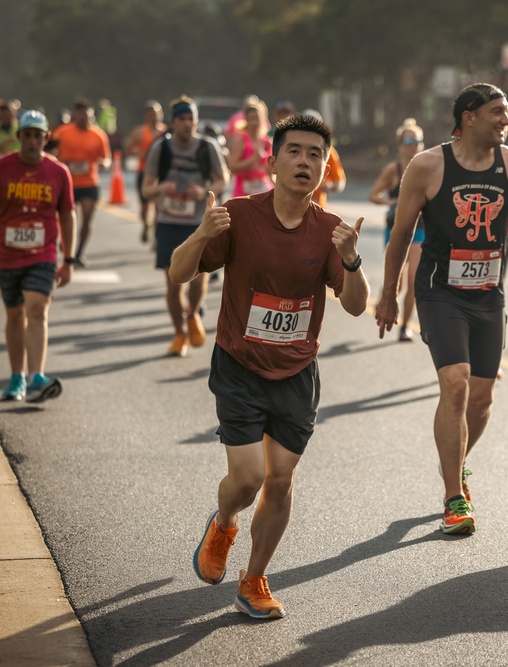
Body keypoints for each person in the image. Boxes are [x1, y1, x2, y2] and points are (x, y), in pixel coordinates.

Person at [169, 113, 369, 619]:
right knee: (248, 478)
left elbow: (355, 306)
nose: (305, 161)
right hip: (239, 363)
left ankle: (254, 578)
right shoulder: (237, 214)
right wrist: (199, 234)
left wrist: (351, 261)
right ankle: (224, 521)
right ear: (272, 160)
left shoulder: (331, 231)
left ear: (325, 166)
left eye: (315, 154)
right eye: (295, 151)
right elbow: (178, 273)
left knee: (281, 478)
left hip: (297, 370)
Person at [375, 83, 508, 535]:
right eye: (497, 112)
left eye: (507, 112)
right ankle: (454, 497)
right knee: (454, 384)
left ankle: (453, 463)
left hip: (488, 293)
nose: (505, 120)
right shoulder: (428, 165)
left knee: (482, 396)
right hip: (440, 289)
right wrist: (389, 292)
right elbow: (399, 236)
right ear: (468, 116)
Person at [0, 110, 75, 402]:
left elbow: (67, 215)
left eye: (37, 136)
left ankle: (36, 376)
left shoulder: (58, 172)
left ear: (45, 138)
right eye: (27, 135)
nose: (32, 141)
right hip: (5, 256)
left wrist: (69, 258)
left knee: (37, 308)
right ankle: (17, 378)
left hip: (43, 254)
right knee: (14, 315)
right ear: (19, 137)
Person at [141, 96, 229, 358]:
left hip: (199, 224)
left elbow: (223, 180)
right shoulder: (162, 149)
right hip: (169, 222)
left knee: (199, 276)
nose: (188, 123)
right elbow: (146, 188)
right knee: (172, 282)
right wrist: (160, 189)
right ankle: (179, 334)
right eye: (182, 119)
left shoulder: (207, 147)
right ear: (173, 122)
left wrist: (203, 190)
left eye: (192, 118)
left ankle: (192, 315)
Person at [368, 117, 426, 341]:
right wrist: (390, 203)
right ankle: (386, 298)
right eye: (409, 140)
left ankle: (405, 326)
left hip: (421, 230)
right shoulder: (393, 170)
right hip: (395, 230)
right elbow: (373, 195)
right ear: (400, 144)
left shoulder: (428, 168)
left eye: (417, 140)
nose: (413, 144)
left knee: (414, 281)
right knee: (398, 281)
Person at [53, 99, 111, 266]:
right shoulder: (62, 132)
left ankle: (79, 253)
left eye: (87, 115)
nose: (84, 118)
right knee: (68, 218)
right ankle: (66, 245)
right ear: (74, 115)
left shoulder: (98, 135)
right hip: (67, 182)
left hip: (89, 182)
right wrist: (59, 160)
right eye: (81, 115)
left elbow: (106, 158)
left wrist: (104, 164)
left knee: (87, 219)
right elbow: (51, 150)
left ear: (92, 116)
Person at [123, 100, 167, 243]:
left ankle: (156, 234)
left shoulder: (166, 132)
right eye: (151, 114)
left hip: (161, 173)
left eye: (157, 113)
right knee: (144, 207)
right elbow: (128, 149)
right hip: (144, 173)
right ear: (146, 116)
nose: (154, 116)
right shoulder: (139, 132)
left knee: (159, 206)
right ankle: (145, 225)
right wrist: (139, 153)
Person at [226, 100, 273, 198]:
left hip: (263, 192)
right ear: (246, 120)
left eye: (257, 118)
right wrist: (252, 159)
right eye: (251, 119)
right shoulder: (241, 140)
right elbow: (232, 167)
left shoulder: (267, 142)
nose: (254, 122)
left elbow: (270, 171)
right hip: (243, 193)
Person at [303, 110, 345, 207]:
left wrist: (329, 187)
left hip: (317, 207)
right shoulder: (291, 148)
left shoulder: (327, 150)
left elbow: (339, 182)